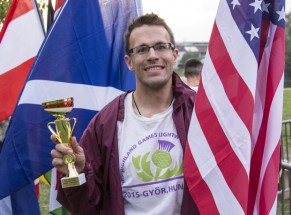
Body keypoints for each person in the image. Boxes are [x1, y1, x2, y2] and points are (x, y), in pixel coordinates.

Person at [51, 13, 199, 215]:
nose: (152, 55)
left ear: (174, 55)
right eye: (142, 49)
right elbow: (86, 206)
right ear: (129, 61)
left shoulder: (201, 111)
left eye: (161, 46)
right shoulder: (106, 123)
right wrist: (77, 171)